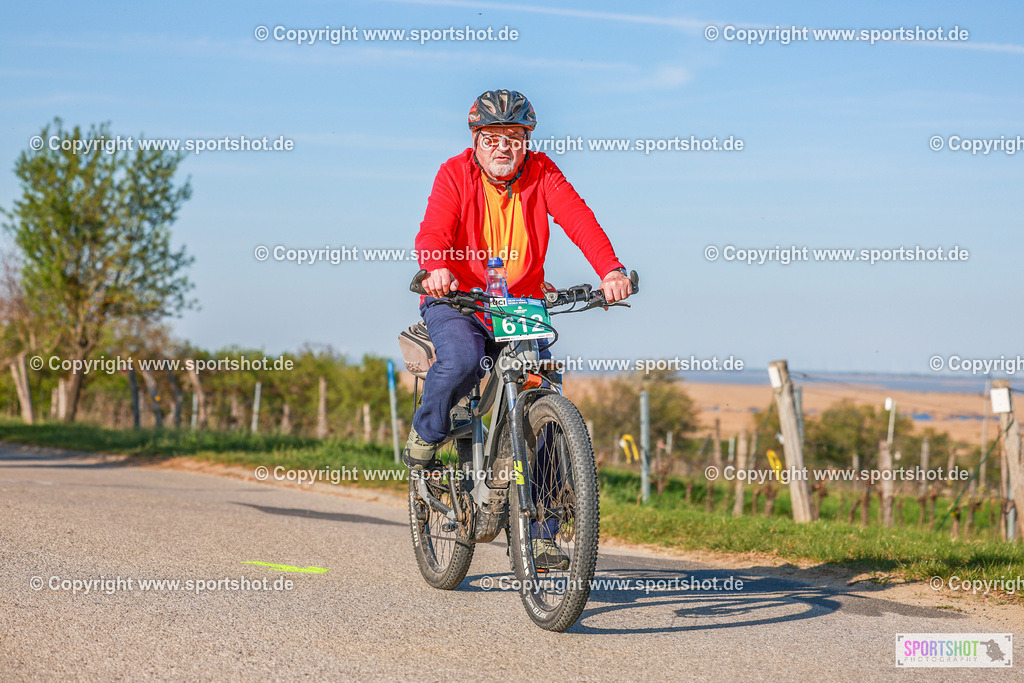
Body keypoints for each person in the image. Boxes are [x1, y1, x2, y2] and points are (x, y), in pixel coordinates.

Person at [404, 89, 632, 568]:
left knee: (545, 402)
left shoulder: (542, 172)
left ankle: (544, 532)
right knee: (464, 360)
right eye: (493, 138)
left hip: (520, 304)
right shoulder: (454, 173)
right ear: (476, 140)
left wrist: (609, 270)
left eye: (515, 137)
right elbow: (434, 231)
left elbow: (578, 219)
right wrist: (436, 268)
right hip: (458, 298)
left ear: (527, 141)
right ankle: (426, 433)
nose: (504, 148)